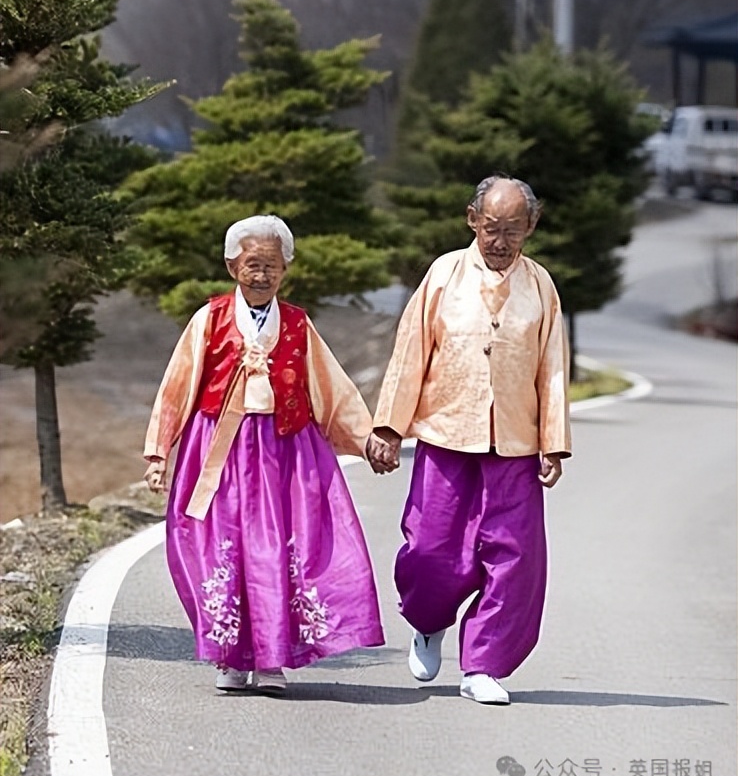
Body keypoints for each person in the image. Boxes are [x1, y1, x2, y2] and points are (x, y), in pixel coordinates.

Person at [144, 214, 384, 696]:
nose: (262, 274)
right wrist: (158, 453)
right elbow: (177, 387)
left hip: (284, 451)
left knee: (277, 549)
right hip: (219, 451)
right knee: (223, 548)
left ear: (285, 268)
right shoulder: (209, 319)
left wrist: (368, 439)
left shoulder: (297, 323)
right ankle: (230, 658)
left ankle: (272, 660)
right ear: (232, 266)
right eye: (253, 264)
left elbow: (331, 388)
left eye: (272, 265)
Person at [367, 174, 571, 705]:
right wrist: (388, 426)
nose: (500, 240)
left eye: (513, 229)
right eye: (491, 227)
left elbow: (552, 368)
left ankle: (484, 665)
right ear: (472, 220)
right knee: (431, 547)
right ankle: (428, 621)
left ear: (531, 226)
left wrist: (553, 441)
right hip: (447, 432)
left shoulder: (541, 286)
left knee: (515, 559)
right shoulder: (443, 274)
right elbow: (411, 350)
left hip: (515, 442)